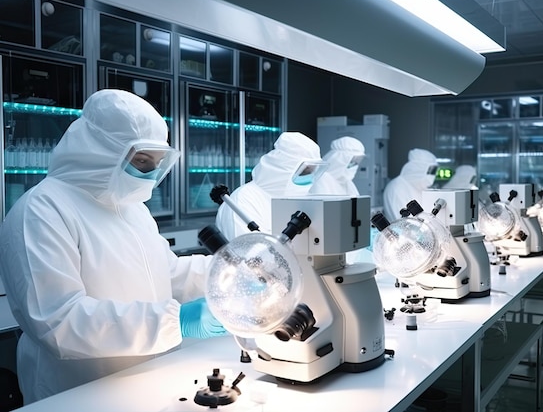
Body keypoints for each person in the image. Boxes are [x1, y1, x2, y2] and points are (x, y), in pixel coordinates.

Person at [0, 89, 225, 404]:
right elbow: (60, 321)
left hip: (146, 380)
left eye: (157, 162)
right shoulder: (42, 210)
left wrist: (228, 270)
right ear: (100, 151)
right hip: (78, 392)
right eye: (141, 160)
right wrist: (177, 321)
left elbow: (168, 273)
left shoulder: (132, 208)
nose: (150, 173)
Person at [215, 131, 326, 240]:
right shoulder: (244, 199)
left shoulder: (297, 200)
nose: (308, 178)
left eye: (313, 172)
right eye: (305, 172)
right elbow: (248, 253)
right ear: (283, 168)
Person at [383, 148, 438, 220]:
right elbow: (405, 225)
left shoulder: (421, 187)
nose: (432, 176)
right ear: (418, 168)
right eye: (430, 171)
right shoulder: (397, 187)